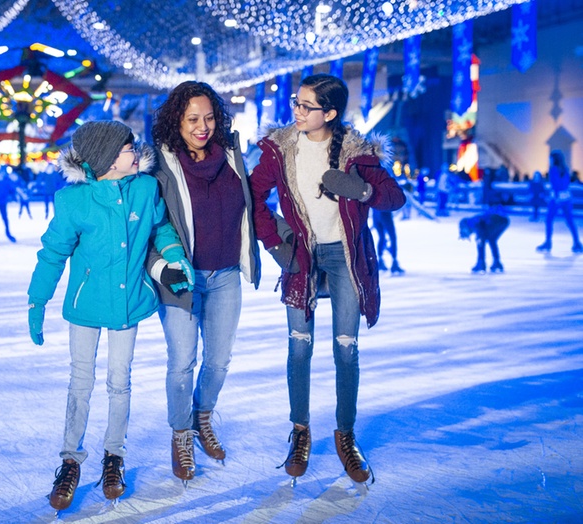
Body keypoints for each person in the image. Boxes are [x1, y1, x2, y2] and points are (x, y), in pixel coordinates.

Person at [26, 120, 194, 513]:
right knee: (81, 382)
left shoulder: (145, 189)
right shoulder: (75, 202)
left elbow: (161, 229)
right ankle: (70, 461)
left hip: (129, 303)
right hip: (85, 307)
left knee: (120, 382)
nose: (136, 151)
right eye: (128, 148)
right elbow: (52, 253)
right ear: (106, 160)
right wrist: (38, 301)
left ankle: (113, 456)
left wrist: (173, 254)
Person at [250, 74, 405, 486]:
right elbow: (253, 198)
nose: (296, 111)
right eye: (295, 103)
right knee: (299, 349)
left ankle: (345, 435)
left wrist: (362, 190)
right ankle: (300, 432)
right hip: (301, 255)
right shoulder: (278, 150)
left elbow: (395, 197)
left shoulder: (357, 152)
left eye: (306, 106)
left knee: (346, 350)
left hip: (346, 258)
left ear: (330, 113)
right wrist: (276, 242)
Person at [148, 80, 261, 485]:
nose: (203, 126)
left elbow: (254, 207)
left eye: (209, 117)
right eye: (193, 118)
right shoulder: (160, 165)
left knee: (218, 360)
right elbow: (151, 225)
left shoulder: (232, 156)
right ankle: (181, 434)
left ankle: (202, 417)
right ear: (175, 120)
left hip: (226, 273)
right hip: (182, 280)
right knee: (182, 362)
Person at [536, 150, 582, 253]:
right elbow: (566, 183)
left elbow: (556, 184)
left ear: (554, 159)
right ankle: (577, 242)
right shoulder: (565, 169)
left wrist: (556, 197)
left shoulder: (553, 169)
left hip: (556, 198)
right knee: (570, 220)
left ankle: (548, 242)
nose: (549, 159)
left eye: (550, 157)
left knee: (549, 220)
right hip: (566, 197)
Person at [372, 209, 404, 275]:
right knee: (393, 237)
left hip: (375, 215)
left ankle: (380, 261)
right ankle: (394, 262)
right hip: (385, 214)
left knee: (381, 237)